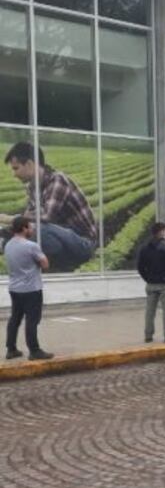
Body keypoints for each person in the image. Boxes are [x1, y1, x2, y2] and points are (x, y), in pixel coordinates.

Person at [1, 142, 96, 271]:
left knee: (39, 229)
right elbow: (28, 220)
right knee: (27, 229)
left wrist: (12, 219)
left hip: (82, 243)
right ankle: (5, 244)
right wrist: (7, 229)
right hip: (60, 238)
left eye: (16, 168)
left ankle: (57, 263)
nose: (14, 174)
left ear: (29, 164)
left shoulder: (57, 180)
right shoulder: (32, 187)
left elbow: (46, 217)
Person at [5, 216, 53, 360]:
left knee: (15, 319)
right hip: (31, 290)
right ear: (24, 228)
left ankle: (11, 349)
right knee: (32, 320)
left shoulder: (8, 245)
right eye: (30, 227)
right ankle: (34, 351)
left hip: (15, 288)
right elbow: (45, 264)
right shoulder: (31, 246)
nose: (32, 229)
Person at [137, 222, 165, 344]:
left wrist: (148, 278)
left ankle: (148, 335)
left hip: (151, 283)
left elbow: (140, 267)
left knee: (150, 311)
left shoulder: (145, 247)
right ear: (161, 232)